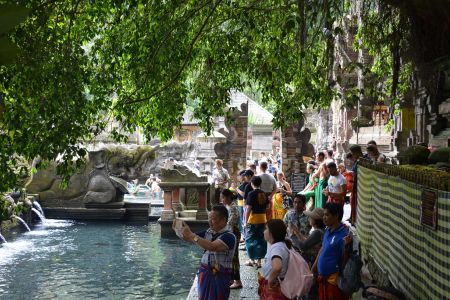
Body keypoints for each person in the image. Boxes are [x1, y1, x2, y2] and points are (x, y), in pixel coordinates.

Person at [175, 205, 236, 300]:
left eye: (213, 219)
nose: (210, 222)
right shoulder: (208, 232)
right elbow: (190, 239)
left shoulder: (229, 236)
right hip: (205, 274)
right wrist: (179, 230)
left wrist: (192, 235)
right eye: (209, 218)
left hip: (219, 276)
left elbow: (212, 246)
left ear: (223, 220)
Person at [312, 202, 352, 300]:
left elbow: (345, 261)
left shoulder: (344, 235)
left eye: (327, 215)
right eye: (323, 215)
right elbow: (323, 248)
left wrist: (346, 247)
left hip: (334, 283)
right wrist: (314, 267)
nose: (324, 218)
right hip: (323, 280)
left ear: (336, 216)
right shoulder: (327, 231)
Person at [258, 219, 291, 300]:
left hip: (275, 287)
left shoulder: (277, 248)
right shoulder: (279, 245)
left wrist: (269, 281)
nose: (264, 231)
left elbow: (277, 267)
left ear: (272, 232)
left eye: (266, 229)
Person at [244, 176, 269, 268]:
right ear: (260, 183)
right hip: (263, 219)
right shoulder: (264, 194)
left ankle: (251, 259)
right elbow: (267, 207)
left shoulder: (251, 194)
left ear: (252, 183)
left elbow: (248, 209)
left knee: (249, 239)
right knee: (261, 239)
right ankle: (259, 260)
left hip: (253, 219)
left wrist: (245, 222)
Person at [222, 189, 243, 289]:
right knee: (230, 256)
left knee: (234, 257)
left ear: (228, 197)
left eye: (223, 197)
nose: (222, 199)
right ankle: (231, 278)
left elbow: (230, 224)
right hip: (230, 233)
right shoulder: (228, 206)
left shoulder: (233, 208)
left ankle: (237, 281)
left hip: (233, 234)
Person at [349, 145, 363, 224]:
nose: (352, 155)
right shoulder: (357, 160)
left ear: (356, 152)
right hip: (355, 184)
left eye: (352, 153)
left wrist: (352, 173)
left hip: (360, 185)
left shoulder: (361, 161)